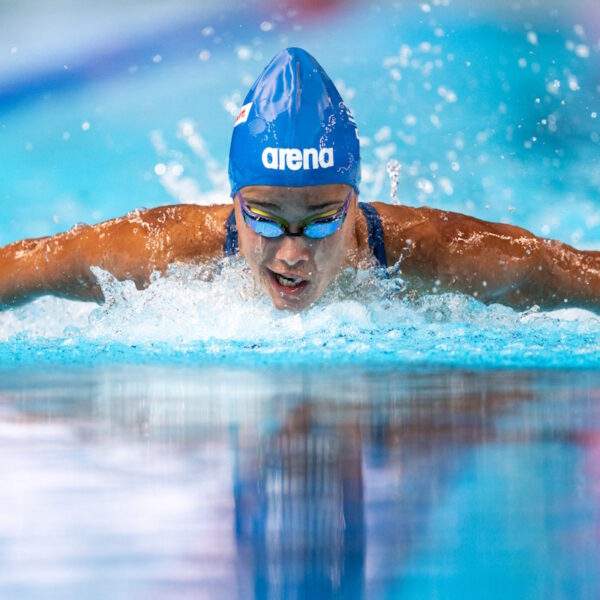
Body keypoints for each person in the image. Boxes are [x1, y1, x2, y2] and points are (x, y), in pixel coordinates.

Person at [0, 47, 598, 312]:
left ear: (354, 203)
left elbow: (576, 274)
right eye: (265, 219)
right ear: (235, 202)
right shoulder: (163, 251)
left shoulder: (442, 255)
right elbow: (29, 265)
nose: (292, 254)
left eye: (320, 221)